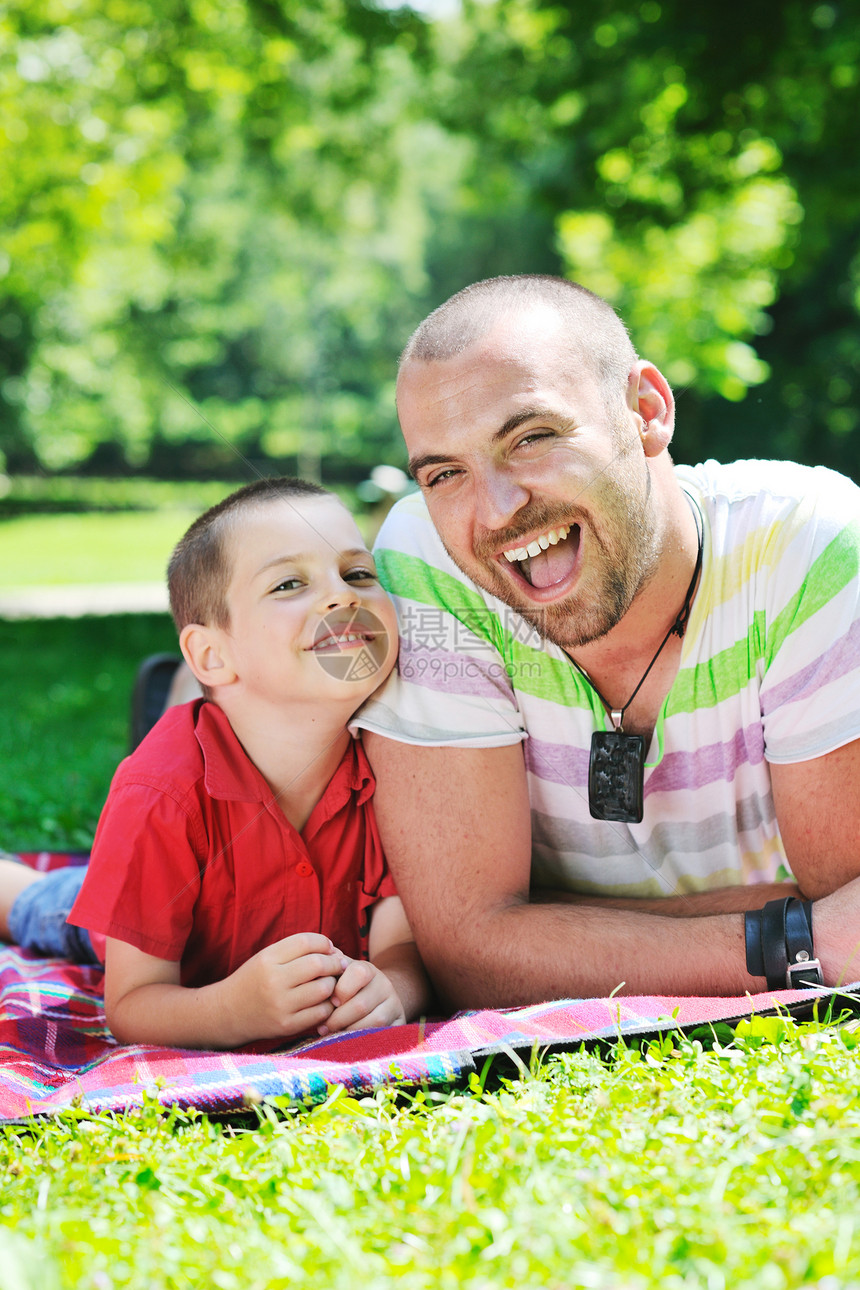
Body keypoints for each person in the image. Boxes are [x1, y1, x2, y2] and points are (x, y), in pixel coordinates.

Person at [351, 274, 860, 1007]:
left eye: (531, 437)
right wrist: (786, 940)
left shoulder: (806, 547)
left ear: (646, 411)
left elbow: (847, 900)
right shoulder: (429, 561)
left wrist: (548, 934)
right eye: (445, 473)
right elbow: (468, 952)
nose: (496, 512)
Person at [0, 477, 429, 1048]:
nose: (343, 597)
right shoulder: (160, 795)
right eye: (289, 583)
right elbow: (131, 1005)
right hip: (163, 938)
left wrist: (392, 988)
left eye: (358, 574)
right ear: (212, 654)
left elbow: (401, 947)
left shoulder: (400, 761)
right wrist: (234, 1010)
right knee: (48, 907)